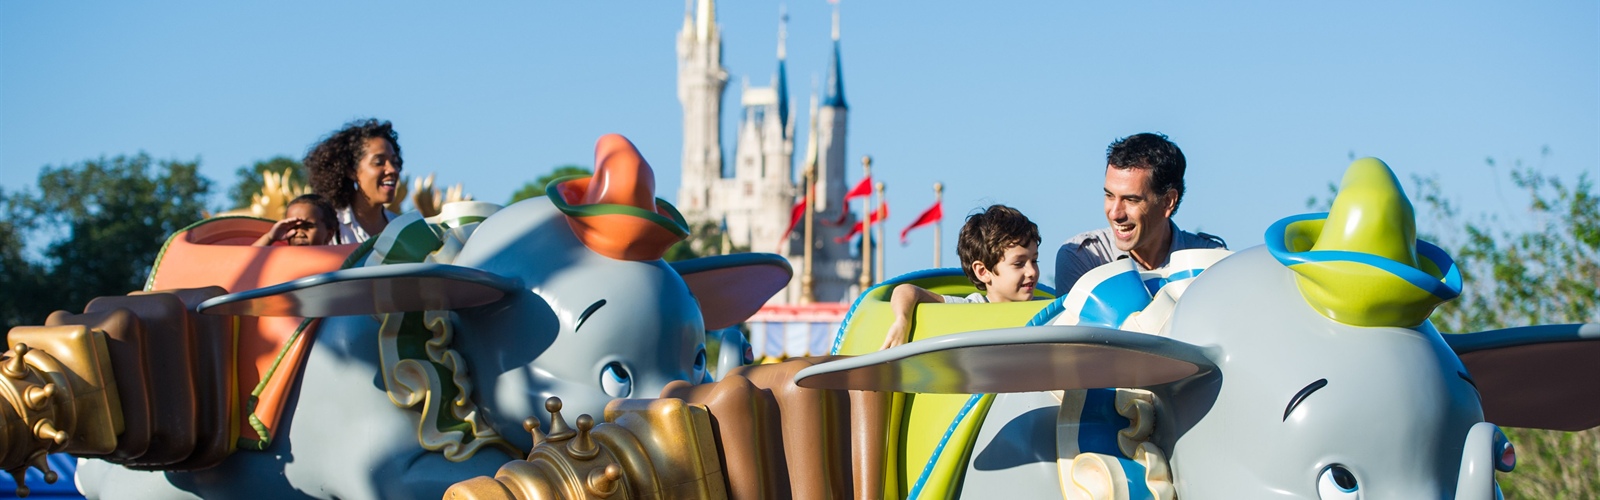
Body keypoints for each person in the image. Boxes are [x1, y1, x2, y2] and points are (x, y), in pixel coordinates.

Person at [1054, 133, 1226, 294]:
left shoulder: (1211, 261)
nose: (1115, 214)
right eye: (1109, 196)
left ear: (1168, 202)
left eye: (1131, 200)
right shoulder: (1084, 257)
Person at [880, 205, 1042, 350]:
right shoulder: (970, 307)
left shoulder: (1043, 309)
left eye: (1034, 260)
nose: (1032, 272)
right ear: (983, 271)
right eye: (1019, 263)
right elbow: (905, 290)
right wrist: (902, 321)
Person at [307, 118, 403, 244]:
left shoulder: (404, 230)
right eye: (379, 162)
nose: (392, 170)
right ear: (352, 170)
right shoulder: (330, 227)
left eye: (395, 162)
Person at [253, 194, 338, 246]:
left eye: (307, 226)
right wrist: (270, 237)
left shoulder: (339, 262)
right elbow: (247, 262)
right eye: (293, 227)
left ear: (329, 235)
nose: (299, 234)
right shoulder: (282, 259)